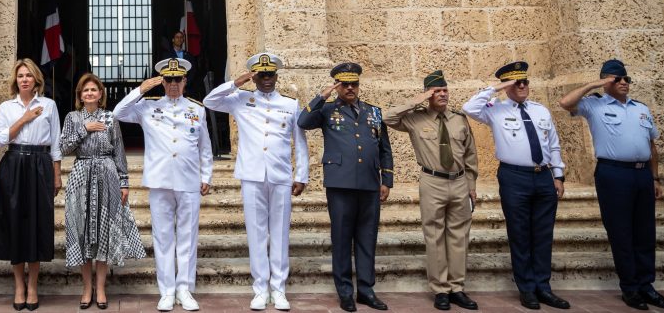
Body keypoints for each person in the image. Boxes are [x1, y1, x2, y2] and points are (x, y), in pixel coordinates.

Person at [558, 60, 664, 311]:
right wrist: (594, 84)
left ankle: (647, 286)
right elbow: (565, 103)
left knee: (645, 233)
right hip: (614, 174)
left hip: (642, 175)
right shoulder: (595, 105)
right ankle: (630, 288)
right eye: (617, 79)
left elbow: (651, 146)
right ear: (606, 81)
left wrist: (655, 178)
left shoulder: (641, 109)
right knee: (621, 232)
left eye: (626, 79)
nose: (623, 82)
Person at [203, 53, 307, 311]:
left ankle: (279, 289)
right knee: (257, 233)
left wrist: (301, 175)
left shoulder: (290, 104)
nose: (267, 79)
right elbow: (209, 101)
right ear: (254, 76)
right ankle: (260, 288)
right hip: (251, 175)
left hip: (280, 175)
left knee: (280, 233)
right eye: (261, 75)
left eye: (270, 74)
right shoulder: (240, 99)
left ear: (277, 76)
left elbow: (300, 141)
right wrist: (236, 83)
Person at [462, 61, 568, 311]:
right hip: (514, 177)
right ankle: (527, 288)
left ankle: (544, 287)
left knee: (543, 234)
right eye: (516, 82)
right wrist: (498, 88)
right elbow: (469, 107)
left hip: (543, 176)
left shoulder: (540, 110)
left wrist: (559, 175)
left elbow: (553, 144)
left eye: (525, 81)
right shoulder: (494, 109)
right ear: (508, 85)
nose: (522, 86)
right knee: (519, 233)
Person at [113, 58, 212, 313]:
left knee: (188, 237)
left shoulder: (197, 109)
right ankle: (167, 290)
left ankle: (185, 288)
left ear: (185, 81)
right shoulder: (147, 106)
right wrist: (141, 89)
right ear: (162, 82)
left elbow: (205, 147)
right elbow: (117, 113)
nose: (173, 84)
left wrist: (207, 176)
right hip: (159, 181)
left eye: (178, 79)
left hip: (189, 179)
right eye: (168, 80)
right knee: (164, 237)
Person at [297, 62, 392, 313]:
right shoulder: (327, 110)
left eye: (354, 84)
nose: (350, 88)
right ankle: (345, 292)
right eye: (344, 84)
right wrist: (323, 95)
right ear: (338, 86)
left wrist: (387, 180)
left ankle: (366, 290)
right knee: (341, 238)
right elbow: (303, 121)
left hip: (370, 183)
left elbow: (384, 149)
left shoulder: (374, 112)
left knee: (367, 238)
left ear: (359, 85)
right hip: (340, 183)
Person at [382, 71, 479, 311]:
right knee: (434, 236)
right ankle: (440, 290)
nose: (443, 94)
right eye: (437, 91)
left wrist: (471, 184)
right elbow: (386, 117)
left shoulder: (459, 119)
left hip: (458, 182)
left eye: (445, 90)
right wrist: (417, 99)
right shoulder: (415, 119)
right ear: (428, 94)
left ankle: (457, 287)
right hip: (432, 181)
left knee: (459, 237)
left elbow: (470, 154)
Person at [60, 73, 146, 310]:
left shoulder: (110, 118)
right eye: (85, 90)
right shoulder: (72, 117)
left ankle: (101, 287)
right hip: (81, 173)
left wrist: (124, 181)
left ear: (100, 94)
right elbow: (64, 147)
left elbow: (118, 150)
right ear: (80, 95)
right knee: (82, 230)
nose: (89, 94)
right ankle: (86, 288)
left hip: (107, 173)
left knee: (104, 232)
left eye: (93, 90)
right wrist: (84, 129)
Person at [0, 59, 63, 311]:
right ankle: (19, 285)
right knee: (15, 224)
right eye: (20, 76)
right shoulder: (8, 107)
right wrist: (25, 118)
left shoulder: (49, 105)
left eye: (29, 75)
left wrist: (57, 174)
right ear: (15, 80)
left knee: (37, 225)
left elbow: (56, 142)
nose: (25, 79)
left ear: (36, 79)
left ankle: (33, 286)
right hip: (14, 164)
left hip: (40, 164)